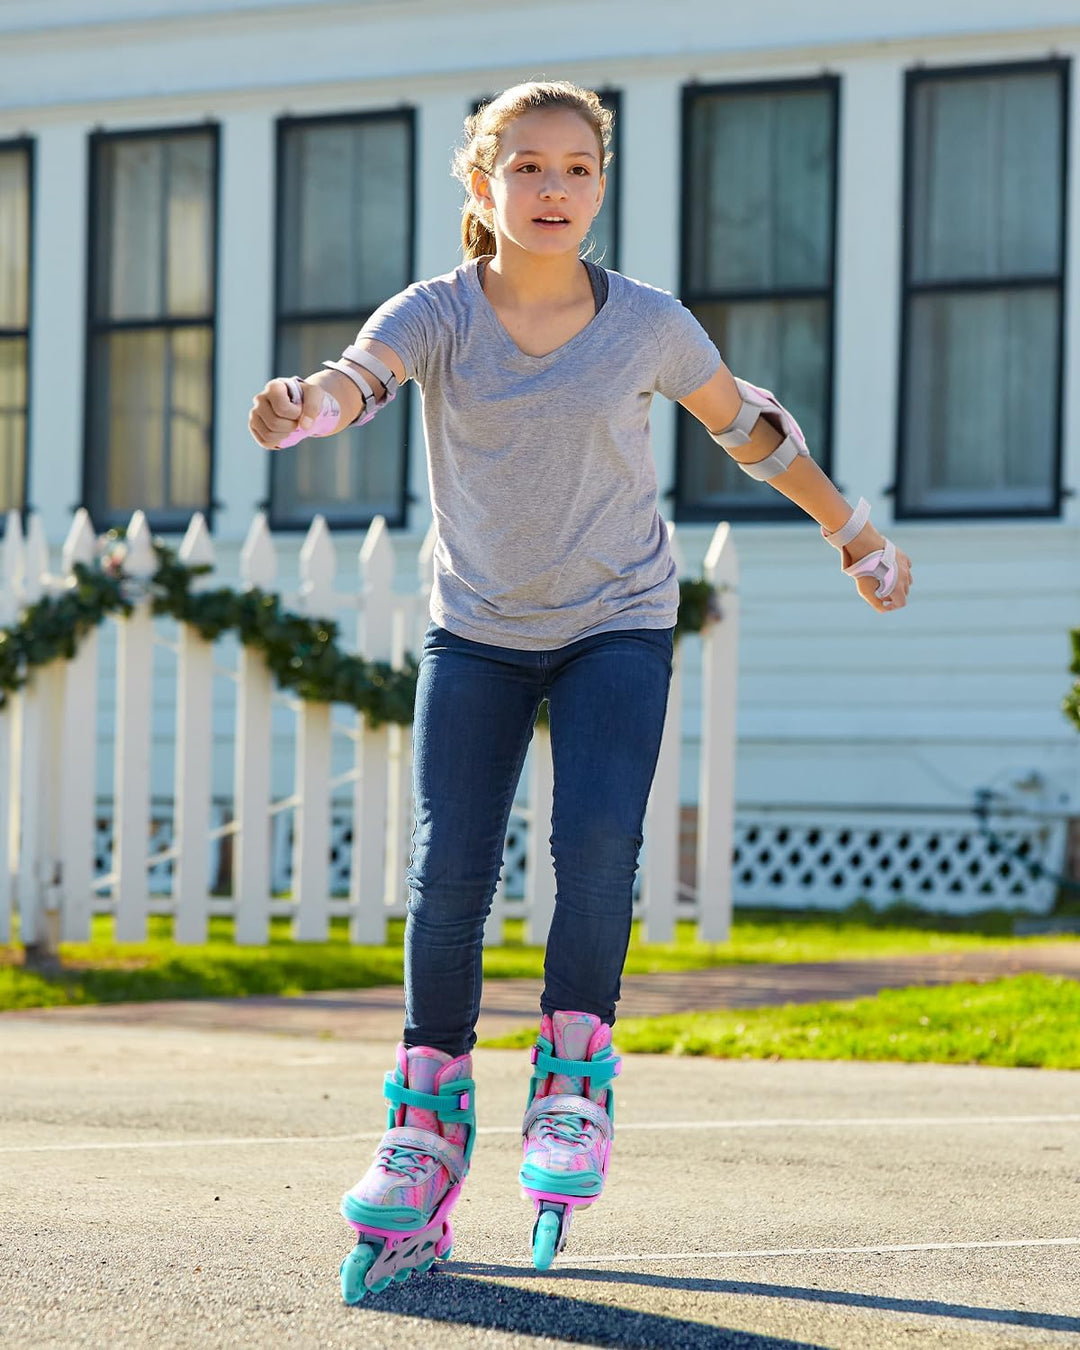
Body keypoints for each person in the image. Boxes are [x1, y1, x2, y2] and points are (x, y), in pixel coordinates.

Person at [248, 79, 913, 1300]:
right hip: (479, 630)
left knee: (598, 843)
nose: (553, 189)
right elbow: (360, 380)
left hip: (617, 619)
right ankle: (427, 1119)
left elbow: (752, 428)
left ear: (600, 186)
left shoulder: (647, 323)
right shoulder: (439, 310)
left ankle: (570, 1085)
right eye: (528, 167)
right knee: (450, 864)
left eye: (577, 169)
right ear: (481, 184)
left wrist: (853, 534)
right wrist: (306, 413)